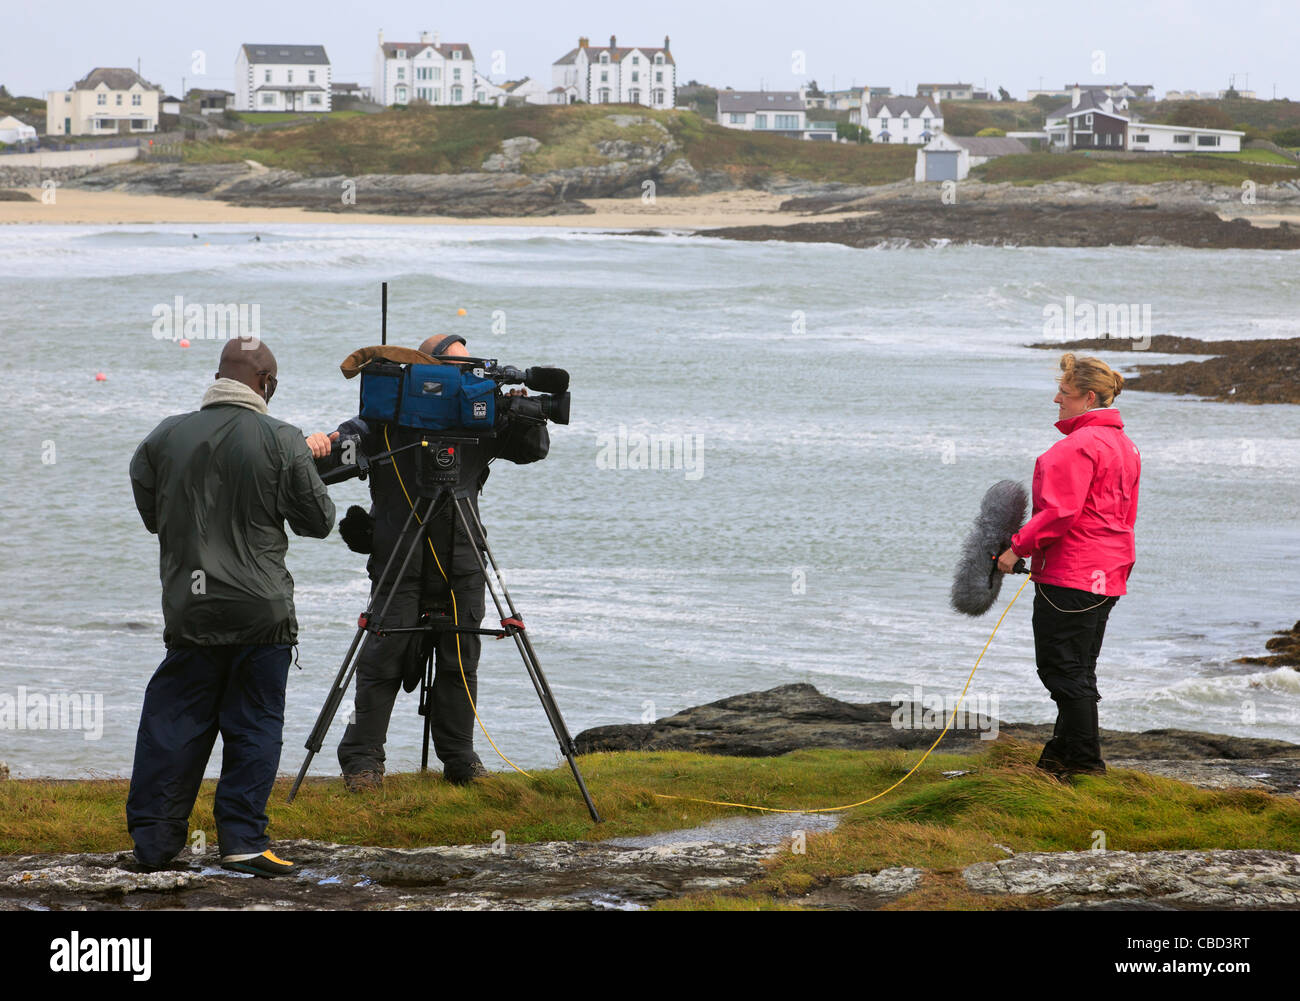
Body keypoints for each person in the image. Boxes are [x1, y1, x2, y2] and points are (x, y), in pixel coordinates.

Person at [127, 337, 336, 876]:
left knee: (173, 724)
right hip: (259, 612)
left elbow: (153, 510)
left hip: (191, 609)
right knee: (254, 724)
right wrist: (306, 465)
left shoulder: (163, 436)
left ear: (220, 375)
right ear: (264, 383)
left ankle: (153, 844)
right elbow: (318, 520)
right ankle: (243, 840)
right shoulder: (282, 438)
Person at [314, 334, 548, 792]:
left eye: (471, 368)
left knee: (461, 662)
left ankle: (459, 759)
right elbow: (333, 462)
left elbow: (533, 450)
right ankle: (362, 763)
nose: (465, 377)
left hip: (463, 561)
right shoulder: (385, 419)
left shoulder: (480, 419)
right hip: (400, 558)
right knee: (382, 659)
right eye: (454, 368)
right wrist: (325, 443)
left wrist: (520, 410)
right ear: (424, 372)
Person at [996, 353, 1140, 779]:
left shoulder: (1076, 447)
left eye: (1064, 392)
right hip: (1109, 574)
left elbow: (1060, 513)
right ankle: (1058, 762)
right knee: (1077, 670)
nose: (1055, 398)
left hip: (1072, 574)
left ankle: (1085, 767)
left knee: (1062, 671)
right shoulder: (1124, 445)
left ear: (1088, 397)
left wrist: (1015, 548)